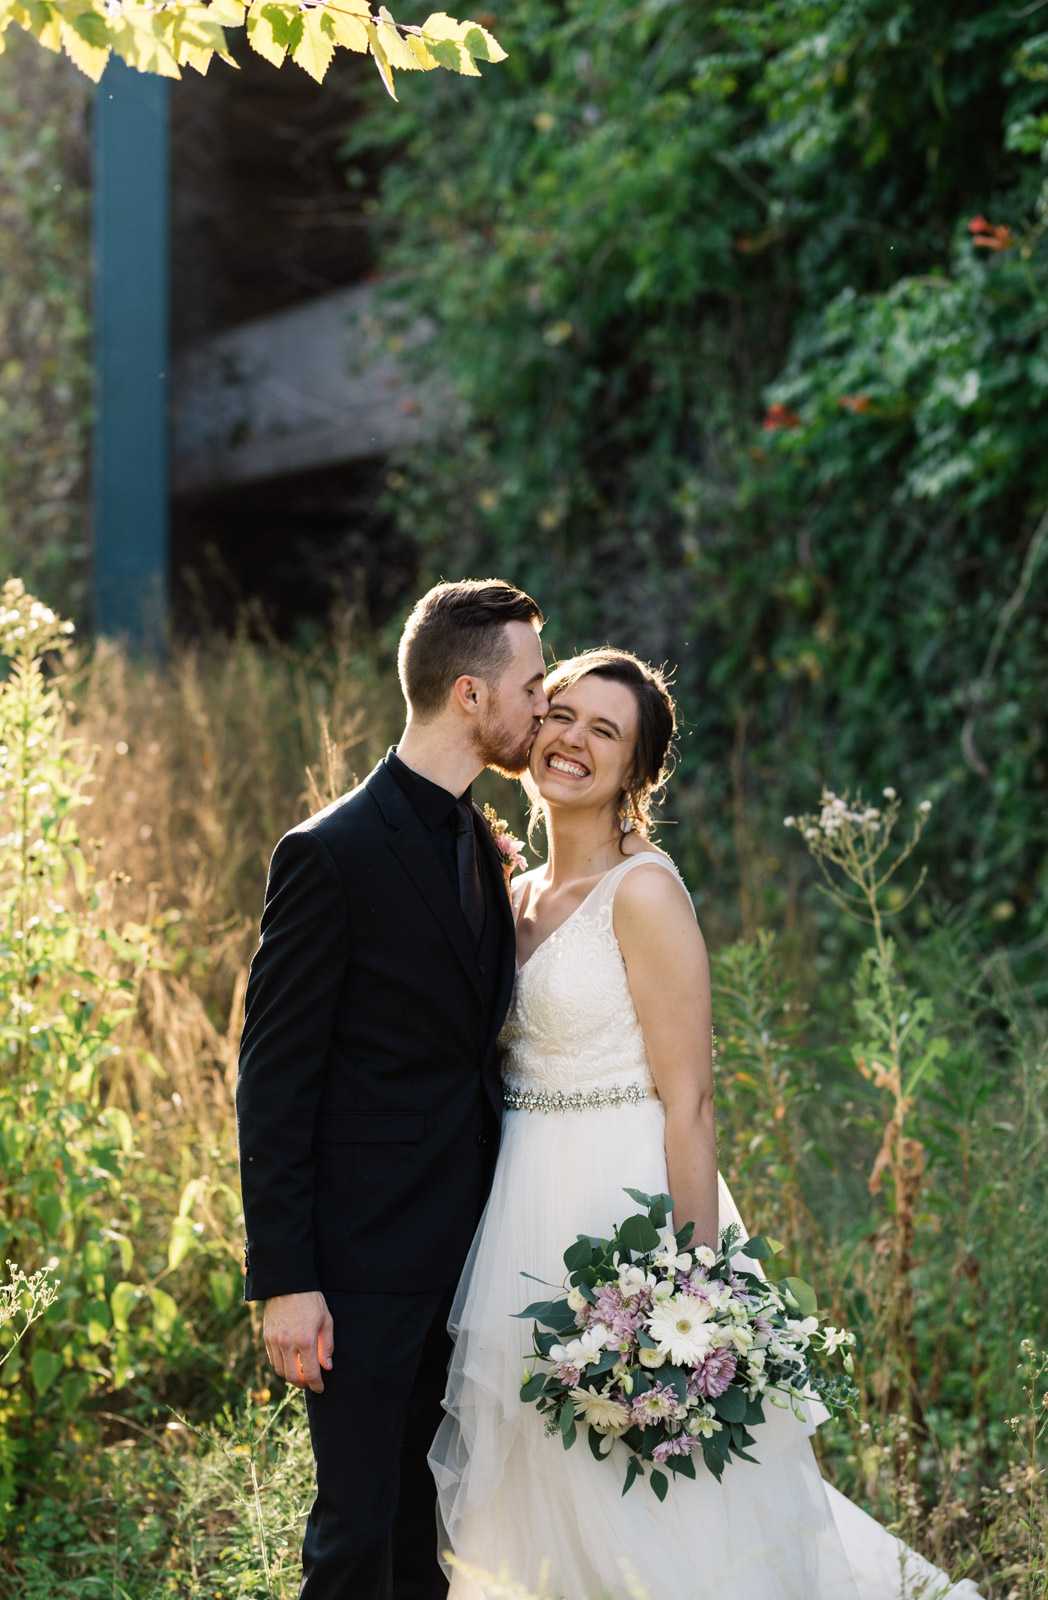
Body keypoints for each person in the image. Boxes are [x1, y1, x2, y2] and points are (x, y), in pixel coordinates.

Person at [431, 647, 981, 1600]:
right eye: (562, 713)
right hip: (518, 1214)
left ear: (637, 773)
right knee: (549, 1503)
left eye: (607, 732)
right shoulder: (510, 892)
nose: (573, 740)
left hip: (622, 1216)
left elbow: (689, 1101)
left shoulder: (643, 894)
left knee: (671, 1505)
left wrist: (689, 1296)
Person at [235, 578, 548, 1600]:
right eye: (533, 687)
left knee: (428, 1540)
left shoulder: (478, 839)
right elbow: (274, 1076)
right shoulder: (329, 853)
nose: (542, 708)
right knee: (356, 1531)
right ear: (471, 694)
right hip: (362, 1265)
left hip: (472, 1255)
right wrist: (286, 1277)